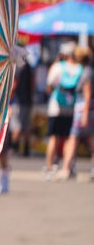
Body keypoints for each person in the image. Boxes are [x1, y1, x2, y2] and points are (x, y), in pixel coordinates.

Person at [43, 41, 83, 176]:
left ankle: (49, 167)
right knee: (67, 138)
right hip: (72, 107)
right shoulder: (79, 68)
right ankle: (66, 167)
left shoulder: (58, 67)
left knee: (54, 137)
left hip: (56, 107)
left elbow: (48, 85)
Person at [58, 45, 93, 179]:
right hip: (86, 109)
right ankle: (68, 167)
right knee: (89, 140)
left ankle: (66, 168)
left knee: (73, 138)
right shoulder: (87, 70)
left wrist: (84, 115)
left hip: (83, 109)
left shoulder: (86, 73)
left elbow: (88, 94)